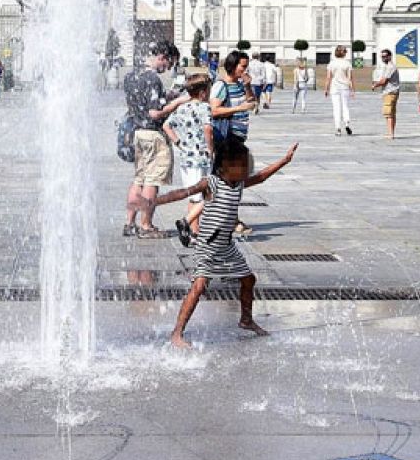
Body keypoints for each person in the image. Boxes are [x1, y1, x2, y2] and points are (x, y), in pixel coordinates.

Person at [157, 140, 298, 348]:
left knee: (249, 279)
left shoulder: (239, 184)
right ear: (223, 165)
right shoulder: (212, 183)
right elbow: (184, 192)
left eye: (244, 165)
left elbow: (261, 177)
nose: (242, 170)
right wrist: (156, 201)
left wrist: (284, 160)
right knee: (199, 286)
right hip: (207, 245)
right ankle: (177, 333)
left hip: (226, 245)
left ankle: (246, 320)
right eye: (238, 165)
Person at [123, 41, 190, 239]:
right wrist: (177, 102)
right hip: (153, 134)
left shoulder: (131, 75)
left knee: (139, 179)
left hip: (138, 133)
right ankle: (146, 225)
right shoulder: (152, 78)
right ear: (162, 57)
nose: (167, 69)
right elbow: (153, 113)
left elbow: (142, 104)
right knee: (152, 181)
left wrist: (167, 96)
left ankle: (130, 223)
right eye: (168, 65)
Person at [163, 75, 215, 230]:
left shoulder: (182, 108)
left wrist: (179, 143)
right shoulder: (204, 107)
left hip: (186, 158)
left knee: (193, 196)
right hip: (201, 158)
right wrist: (210, 148)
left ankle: (193, 230)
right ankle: (191, 228)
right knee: (203, 195)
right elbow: (208, 129)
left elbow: (166, 125)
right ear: (203, 93)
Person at [210, 50, 259, 145]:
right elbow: (214, 111)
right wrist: (239, 108)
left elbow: (251, 102)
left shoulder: (239, 84)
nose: (246, 70)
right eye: (243, 67)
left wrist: (247, 86)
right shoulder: (221, 85)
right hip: (228, 134)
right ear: (232, 66)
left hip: (240, 135)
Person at [371, 48, 401, 140]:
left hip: (390, 92)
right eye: (382, 56)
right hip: (391, 91)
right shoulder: (387, 66)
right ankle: (391, 132)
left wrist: (374, 85)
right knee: (392, 113)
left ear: (389, 56)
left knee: (388, 114)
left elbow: (384, 81)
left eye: (385, 56)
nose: (383, 58)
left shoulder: (390, 67)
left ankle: (390, 133)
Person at [326, 46, 354, 135]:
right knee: (345, 106)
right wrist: (352, 90)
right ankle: (347, 123)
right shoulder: (347, 63)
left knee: (336, 108)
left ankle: (338, 128)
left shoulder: (331, 63)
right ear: (344, 53)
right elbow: (350, 78)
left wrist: (326, 88)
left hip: (334, 87)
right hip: (345, 86)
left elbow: (328, 77)